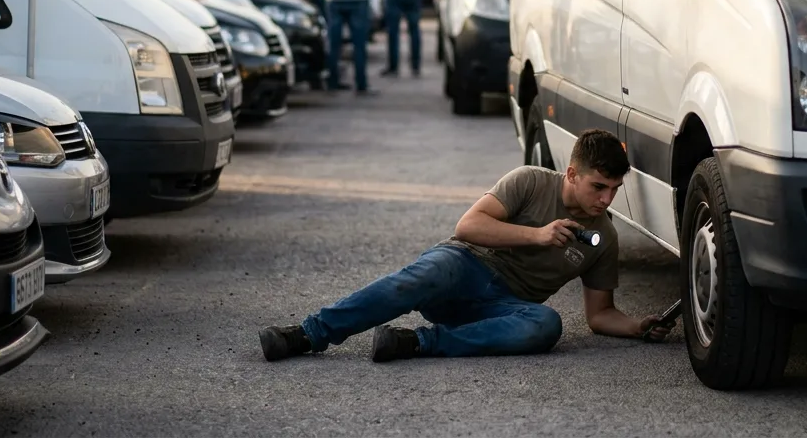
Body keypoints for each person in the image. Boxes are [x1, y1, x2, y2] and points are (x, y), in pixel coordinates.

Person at [258, 128, 670, 363]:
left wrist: (637, 326)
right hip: (464, 267)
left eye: (614, 190)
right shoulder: (528, 181)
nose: (605, 200)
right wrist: (537, 235)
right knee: (422, 275)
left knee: (546, 326)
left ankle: (415, 343)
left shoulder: (604, 237)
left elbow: (600, 315)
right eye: (598, 186)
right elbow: (468, 225)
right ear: (572, 173)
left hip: (501, 307)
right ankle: (307, 334)